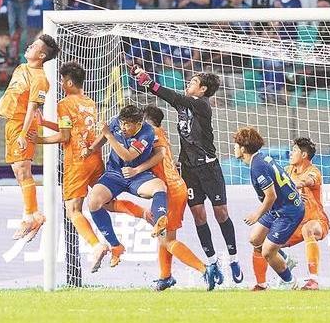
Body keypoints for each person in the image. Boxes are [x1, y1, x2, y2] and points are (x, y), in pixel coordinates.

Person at [131, 64, 239, 283]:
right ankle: (212, 262)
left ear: (203, 89)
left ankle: (233, 258)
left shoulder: (202, 105)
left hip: (209, 167)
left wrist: (150, 82)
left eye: (193, 82)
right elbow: (169, 97)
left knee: (221, 214)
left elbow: (175, 96)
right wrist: (146, 82)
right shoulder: (183, 105)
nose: (188, 84)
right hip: (189, 169)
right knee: (199, 215)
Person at [33, 62, 146, 271]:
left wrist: (38, 140)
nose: (61, 84)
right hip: (94, 159)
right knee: (107, 203)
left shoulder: (64, 104)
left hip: (77, 161)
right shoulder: (90, 102)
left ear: (68, 82)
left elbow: (65, 136)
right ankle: (143, 216)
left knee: (73, 210)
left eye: (62, 81)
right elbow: (74, 128)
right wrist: (45, 123)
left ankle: (96, 246)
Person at [131, 105, 220, 291]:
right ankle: (165, 276)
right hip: (175, 187)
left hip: (169, 191)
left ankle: (205, 269)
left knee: (168, 240)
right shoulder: (160, 133)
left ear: (145, 120)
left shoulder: (150, 134)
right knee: (164, 236)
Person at [0, 34, 59, 242]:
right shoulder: (20, 69)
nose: (29, 46)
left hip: (24, 126)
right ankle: (35, 215)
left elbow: (32, 108)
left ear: (41, 55)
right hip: (11, 124)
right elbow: (7, 95)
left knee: (23, 170)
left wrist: (24, 135)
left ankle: (29, 217)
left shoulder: (40, 79)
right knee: (18, 172)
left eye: (34, 46)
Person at [84, 105, 169, 269]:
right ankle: (116, 246)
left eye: (128, 124)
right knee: (93, 201)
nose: (123, 127)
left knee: (159, 186)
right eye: (122, 123)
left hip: (137, 175)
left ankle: (160, 220)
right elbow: (104, 136)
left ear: (138, 124)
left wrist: (109, 135)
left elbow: (128, 156)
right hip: (114, 174)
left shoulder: (147, 133)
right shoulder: (117, 122)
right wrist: (91, 149)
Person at [253, 136, 329, 291]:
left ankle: (313, 280)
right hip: (293, 222)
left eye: (294, 150)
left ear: (304, 155)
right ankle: (262, 284)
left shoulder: (314, 171)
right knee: (259, 241)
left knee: (308, 229)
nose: (291, 153)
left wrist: (292, 189)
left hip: (316, 221)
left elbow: (307, 181)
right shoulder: (287, 170)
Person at [236, 127, 303, 290]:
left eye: (236, 145)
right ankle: (285, 259)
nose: (234, 148)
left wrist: (257, 215)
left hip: (287, 211)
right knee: (255, 239)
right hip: (277, 208)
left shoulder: (257, 166)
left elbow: (271, 196)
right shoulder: (260, 158)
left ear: (243, 149)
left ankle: (290, 282)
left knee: (267, 252)